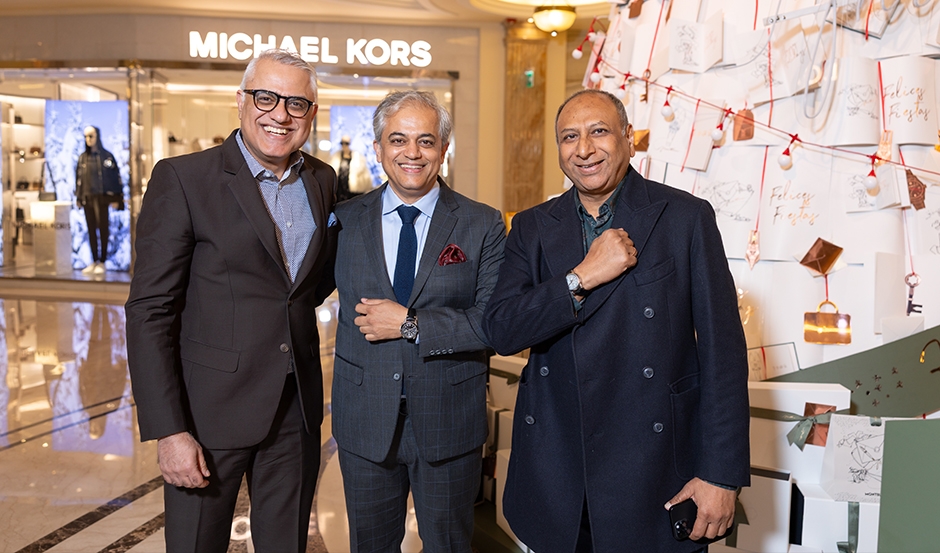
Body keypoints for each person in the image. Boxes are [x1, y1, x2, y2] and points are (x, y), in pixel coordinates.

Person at [481, 89, 750, 552]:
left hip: (655, 473)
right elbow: (502, 329)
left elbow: (723, 354)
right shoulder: (531, 226)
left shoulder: (685, 217)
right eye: (569, 137)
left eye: (599, 131)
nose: (583, 149)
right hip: (557, 471)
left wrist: (721, 476)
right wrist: (580, 277)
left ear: (628, 137)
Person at [124, 48, 337, 553]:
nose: (280, 114)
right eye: (266, 98)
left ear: (311, 113)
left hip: (295, 410)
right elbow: (149, 310)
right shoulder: (183, 179)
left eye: (296, 103)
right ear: (240, 100)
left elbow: (308, 285)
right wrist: (169, 431)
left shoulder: (322, 179)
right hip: (207, 416)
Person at [331, 90, 506, 553]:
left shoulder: (482, 223)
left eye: (426, 141)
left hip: (448, 421)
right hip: (365, 419)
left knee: (449, 546)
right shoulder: (343, 222)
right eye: (398, 140)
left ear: (443, 149)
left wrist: (410, 323)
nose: (412, 152)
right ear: (378, 148)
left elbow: (492, 324)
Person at [75, 125, 122, 274]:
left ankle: (102, 261)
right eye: (86, 136)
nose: (88, 139)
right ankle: (94, 260)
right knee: (91, 229)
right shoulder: (83, 158)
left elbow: (115, 177)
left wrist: (117, 198)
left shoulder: (106, 157)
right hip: (88, 198)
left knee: (103, 228)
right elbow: (79, 179)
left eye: (91, 136)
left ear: (97, 136)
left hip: (102, 199)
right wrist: (79, 197)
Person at [329, 134, 372, 201]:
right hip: (339, 189)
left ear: (349, 143)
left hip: (353, 190)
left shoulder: (357, 157)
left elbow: (363, 174)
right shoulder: (335, 157)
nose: (344, 145)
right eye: (342, 143)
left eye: (346, 143)